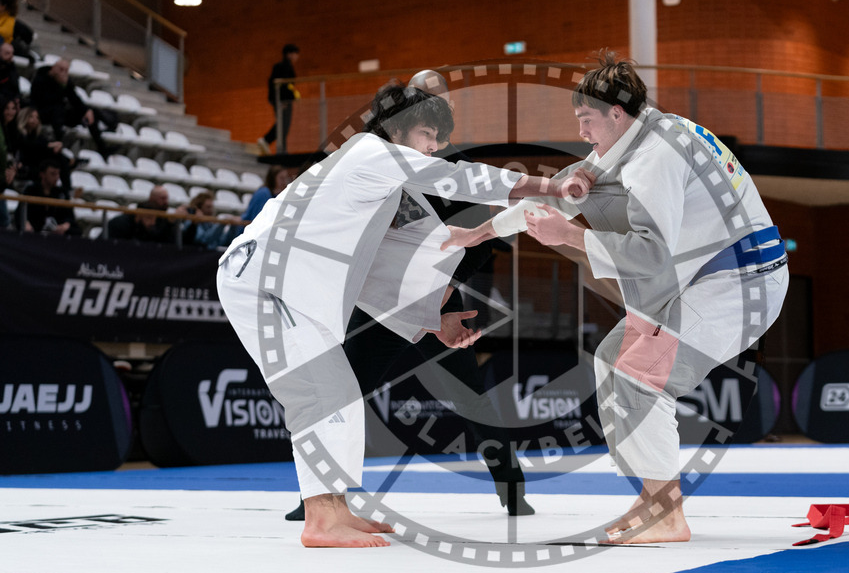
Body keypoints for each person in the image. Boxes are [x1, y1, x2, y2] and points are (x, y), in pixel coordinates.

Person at [217, 80, 592, 548]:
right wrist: (552, 185)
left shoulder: (389, 187)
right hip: (264, 280)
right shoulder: (367, 153)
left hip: (291, 286)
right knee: (320, 395)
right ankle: (320, 519)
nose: (436, 147)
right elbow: (461, 179)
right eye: (428, 134)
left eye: (439, 137)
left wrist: (436, 318)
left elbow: (418, 253)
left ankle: (334, 509)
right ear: (399, 128)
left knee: (340, 393)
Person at [444, 51, 789, 544]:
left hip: (742, 284)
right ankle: (653, 498)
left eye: (587, 121)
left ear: (616, 114)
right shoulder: (648, 130)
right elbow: (560, 195)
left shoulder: (656, 158)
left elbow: (651, 256)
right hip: (705, 279)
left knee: (639, 375)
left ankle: (667, 514)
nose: (582, 133)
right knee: (611, 360)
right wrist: (480, 233)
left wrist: (569, 236)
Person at [282, 71, 533, 523]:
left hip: (439, 295)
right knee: (346, 390)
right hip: (382, 301)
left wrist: (443, 296)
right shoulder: (376, 159)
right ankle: (318, 498)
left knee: (469, 396)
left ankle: (512, 489)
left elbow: (482, 241)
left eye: (437, 100)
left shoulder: (449, 165)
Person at [30, 58, 115, 156]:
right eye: (61, 69)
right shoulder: (40, 77)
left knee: (90, 112)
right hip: (43, 112)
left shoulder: (64, 81)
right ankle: (58, 144)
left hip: (60, 114)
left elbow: (74, 98)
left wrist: (86, 111)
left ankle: (103, 148)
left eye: (66, 70)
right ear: (53, 68)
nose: (63, 73)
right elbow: (45, 100)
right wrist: (62, 86)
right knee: (57, 110)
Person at [16, 105, 74, 191]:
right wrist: (50, 146)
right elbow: (30, 146)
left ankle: (65, 190)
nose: (34, 120)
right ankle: (66, 190)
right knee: (55, 160)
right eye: (31, 116)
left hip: (37, 164)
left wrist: (55, 147)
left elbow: (44, 144)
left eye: (37, 117)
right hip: (25, 166)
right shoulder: (18, 134)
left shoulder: (37, 136)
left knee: (58, 159)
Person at [256, 44, 300, 155]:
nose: (297, 57)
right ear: (289, 54)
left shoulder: (286, 66)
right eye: (295, 53)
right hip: (283, 101)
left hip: (282, 100)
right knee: (283, 125)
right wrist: (283, 99)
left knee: (283, 125)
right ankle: (268, 141)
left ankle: (279, 147)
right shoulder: (283, 66)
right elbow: (280, 86)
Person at [23, 158, 80, 235]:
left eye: (58, 174)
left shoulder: (61, 193)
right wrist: (26, 223)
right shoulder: (31, 190)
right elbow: (21, 212)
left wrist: (65, 225)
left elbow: (70, 216)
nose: (56, 177)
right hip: (35, 231)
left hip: (56, 232)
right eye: (53, 174)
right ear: (42, 174)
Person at [107, 186, 177, 243]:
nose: (152, 223)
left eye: (154, 219)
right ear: (138, 216)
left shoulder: (150, 227)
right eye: (149, 218)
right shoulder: (120, 225)